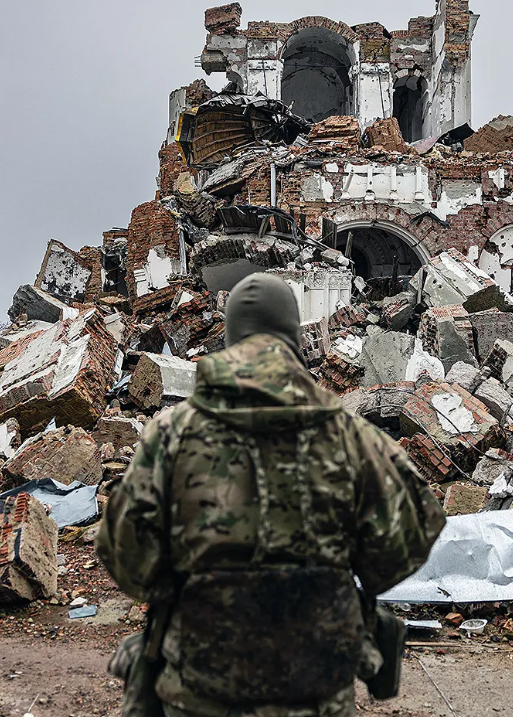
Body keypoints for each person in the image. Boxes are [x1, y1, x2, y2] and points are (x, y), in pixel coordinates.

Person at [97, 273, 446, 717]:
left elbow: (125, 556)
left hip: (200, 691)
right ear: (293, 338)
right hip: (316, 693)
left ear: (229, 338)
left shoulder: (172, 434)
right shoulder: (349, 435)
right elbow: (411, 537)